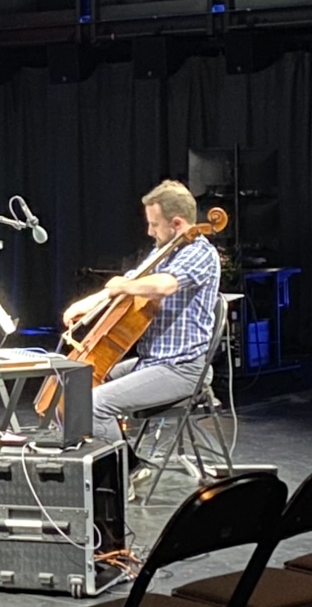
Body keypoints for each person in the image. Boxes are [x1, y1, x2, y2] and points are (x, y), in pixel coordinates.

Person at [61, 180, 221, 491]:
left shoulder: (201, 253)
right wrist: (89, 303)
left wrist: (122, 285)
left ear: (177, 224)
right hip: (152, 362)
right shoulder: (164, 251)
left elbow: (164, 285)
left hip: (182, 368)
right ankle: (118, 467)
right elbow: (131, 280)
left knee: (94, 403)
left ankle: (117, 483)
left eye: (154, 224)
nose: (150, 231)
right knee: (78, 382)